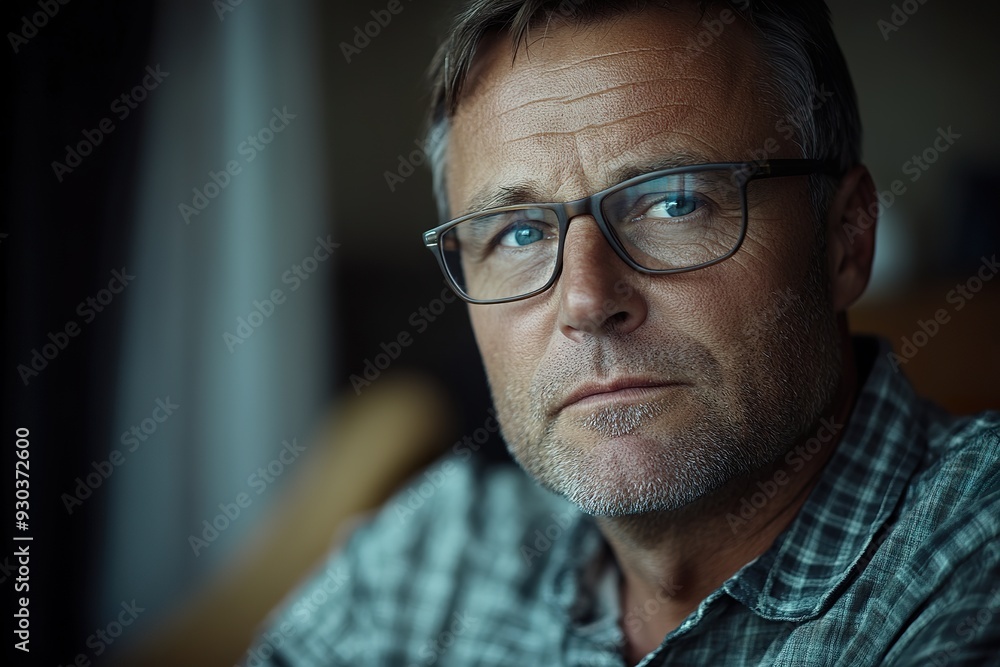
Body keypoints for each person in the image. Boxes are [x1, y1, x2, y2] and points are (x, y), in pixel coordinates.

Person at [253, 1, 1000, 664]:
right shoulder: (432, 555)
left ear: (844, 240)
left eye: (674, 203)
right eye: (516, 233)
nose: (585, 298)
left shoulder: (972, 556)